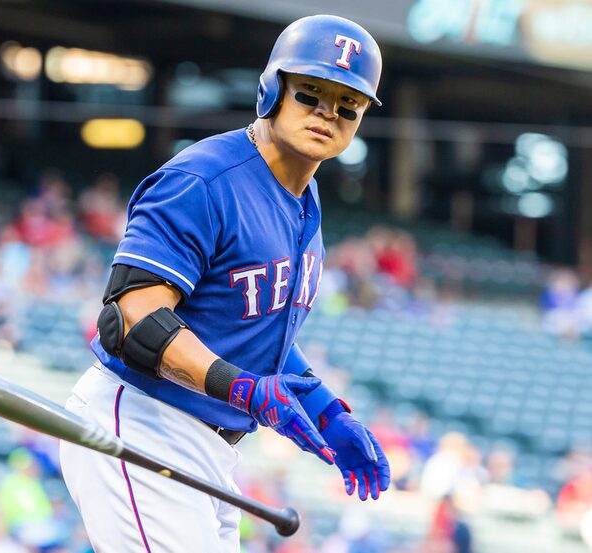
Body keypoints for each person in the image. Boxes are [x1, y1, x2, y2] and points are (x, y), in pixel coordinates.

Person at [59, 14, 391, 551]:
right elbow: (132, 320)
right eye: (310, 94)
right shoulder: (203, 180)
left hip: (212, 450)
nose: (327, 114)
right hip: (145, 423)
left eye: (346, 105)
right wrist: (242, 388)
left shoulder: (303, 201)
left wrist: (327, 410)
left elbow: (258, 333)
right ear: (272, 88)